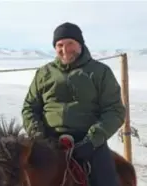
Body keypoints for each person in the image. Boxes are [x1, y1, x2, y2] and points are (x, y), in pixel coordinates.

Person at [21, 22, 126, 186]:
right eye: (59, 45)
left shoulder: (99, 72)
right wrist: (39, 136)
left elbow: (114, 110)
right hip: (47, 139)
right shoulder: (44, 73)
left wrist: (92, 140)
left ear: (80, 44)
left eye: (70, 43)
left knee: (106, 180)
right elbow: (30, 108)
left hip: (88, 141)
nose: (65, 49)